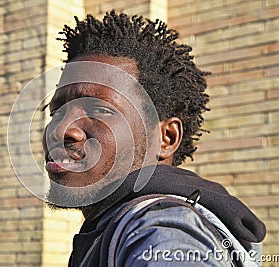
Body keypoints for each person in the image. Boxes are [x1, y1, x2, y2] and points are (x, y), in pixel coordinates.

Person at [42, 11, 266, 266]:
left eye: (99, 110)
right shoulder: (112, 229)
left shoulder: (160, 228)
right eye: (56, 111)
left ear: (166, 138)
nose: (60, 131)